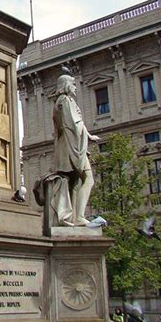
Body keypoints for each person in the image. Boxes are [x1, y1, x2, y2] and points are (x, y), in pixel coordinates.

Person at [52, 74, 100, 225]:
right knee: (88, 179)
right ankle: (78, 216)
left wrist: (88, 135)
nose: (75, 87)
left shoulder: (62, 102)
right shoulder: (65, 101)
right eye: (73, 84)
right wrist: (86, 139)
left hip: (67, 145)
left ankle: (75, 216)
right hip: (71, 146)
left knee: (76, 181)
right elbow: (72, 124)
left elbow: (74, 123)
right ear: (66, 85)